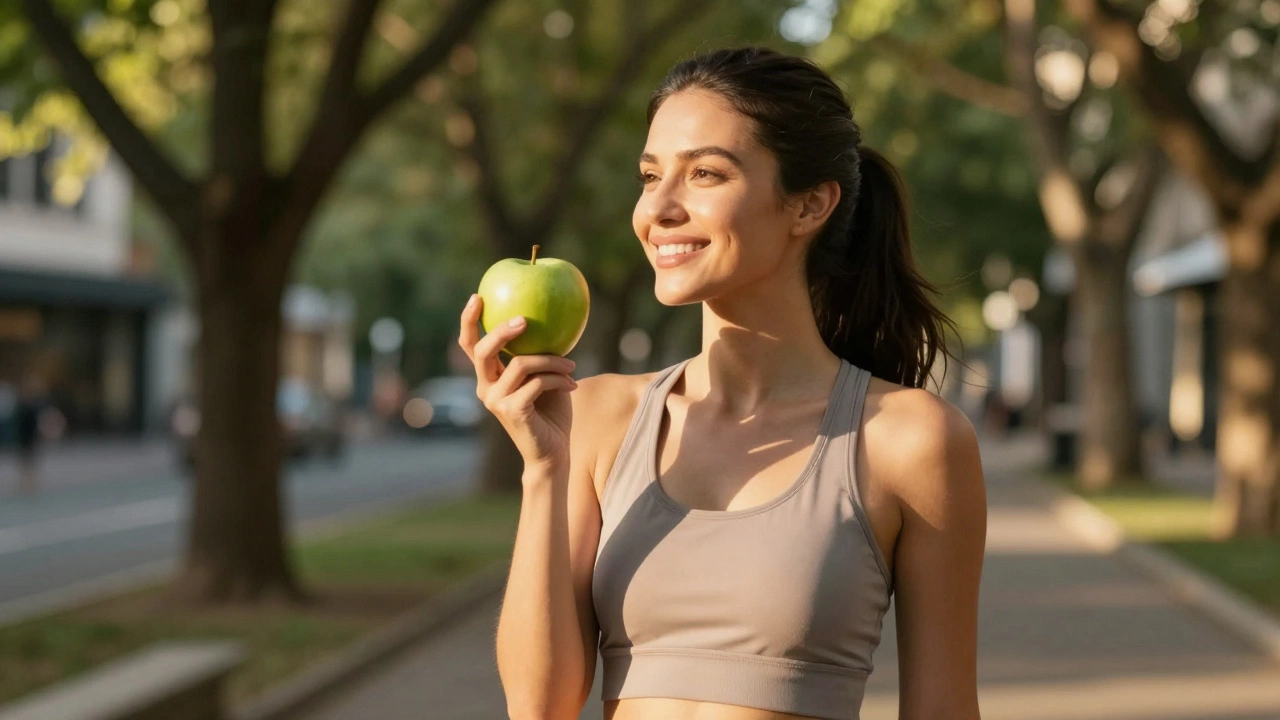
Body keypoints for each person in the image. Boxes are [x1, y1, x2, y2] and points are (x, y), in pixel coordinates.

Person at [461, 46, 986, 720]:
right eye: (651, 176)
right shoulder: (598, 416)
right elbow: (538, 707)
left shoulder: (911, 440)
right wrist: (542, 471)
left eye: (705, 173)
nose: (660, 208)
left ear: (809, 205)